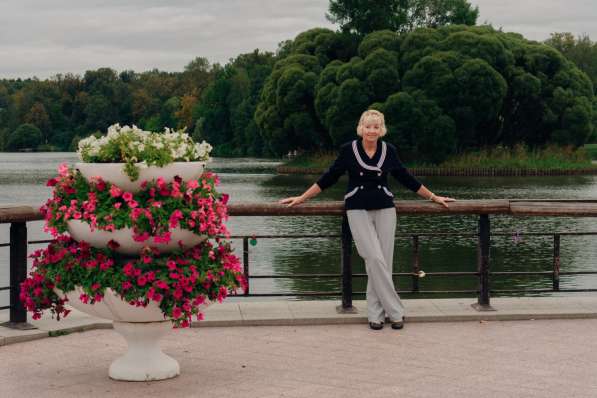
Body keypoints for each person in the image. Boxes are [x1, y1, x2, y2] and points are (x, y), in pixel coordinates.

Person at [279, 109, 455, 330]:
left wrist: (433, 197)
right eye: (368, 126)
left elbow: (406, 178)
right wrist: (302, 197)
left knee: (384, 261)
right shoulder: (348, 150)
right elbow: (329, 178)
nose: (372, 130)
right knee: (373, 258)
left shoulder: (388, 150)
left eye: (376, 126)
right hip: (357, 208)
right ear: (361, 128)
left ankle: (376, 315)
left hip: (385, 208)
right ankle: (396, 310)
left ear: (382, 130)